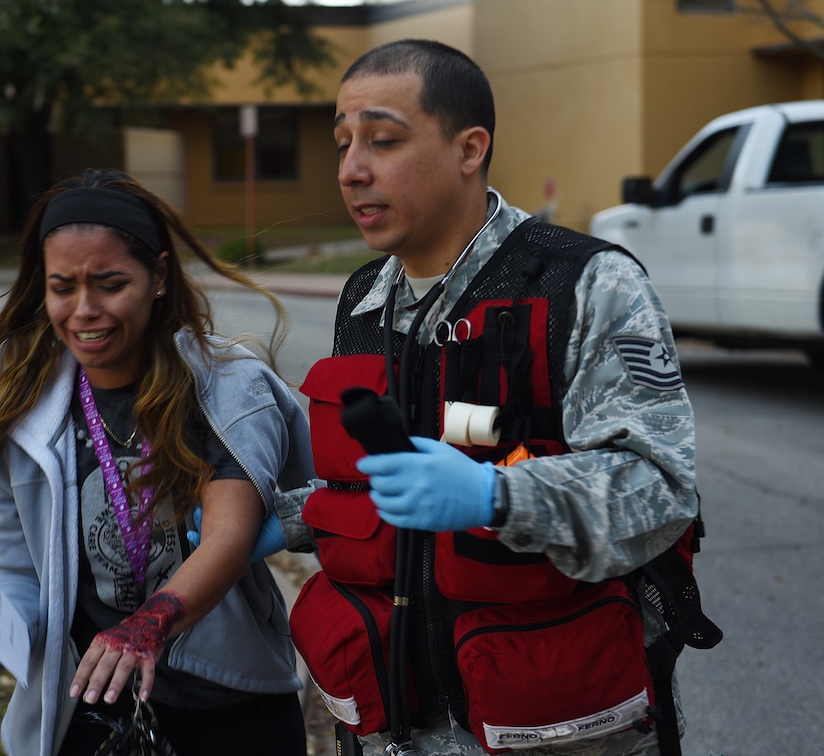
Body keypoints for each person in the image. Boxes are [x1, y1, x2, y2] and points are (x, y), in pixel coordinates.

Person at [272, 39, 707, 756]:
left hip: (561, 729)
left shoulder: (585, 283)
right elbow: (377, 487)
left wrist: (495, 496)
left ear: (470, 148)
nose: (352, 170)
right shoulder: (363, 300)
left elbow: (659, 489)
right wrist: (282, 517)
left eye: (382, 140)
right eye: (343, 143)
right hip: (392, 728)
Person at [0, 168, 316, 756]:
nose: (84, 309)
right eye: (63, 287)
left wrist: (148, 626)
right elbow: (20, 577)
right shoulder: (22, 420)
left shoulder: (227, 388)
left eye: (109, 284)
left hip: (233, 707)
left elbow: (229, 536)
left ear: (158, 276)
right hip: (91, 709)